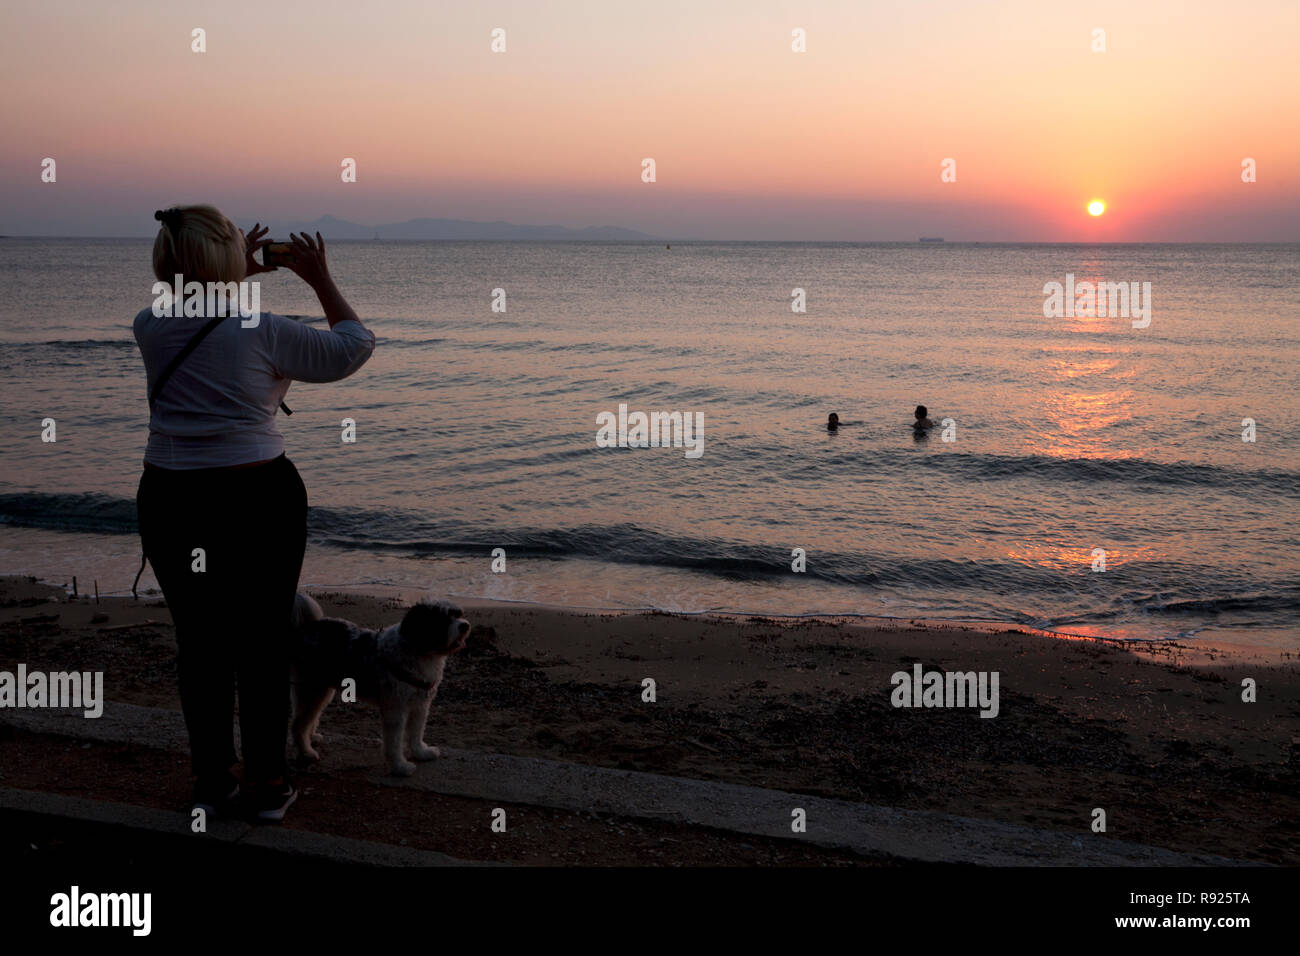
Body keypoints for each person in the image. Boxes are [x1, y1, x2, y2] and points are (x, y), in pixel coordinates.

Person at [133, 205, 374, 823]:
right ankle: (268, 784)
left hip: (171, 498)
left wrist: (229, 277)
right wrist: (318, 278)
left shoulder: (149, 324)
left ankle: (213, 781)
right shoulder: (262, 328)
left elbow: (202, 318)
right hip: (254, 497)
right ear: (226, 259)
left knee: (202, 643)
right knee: (263, 641)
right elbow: (352, 348)